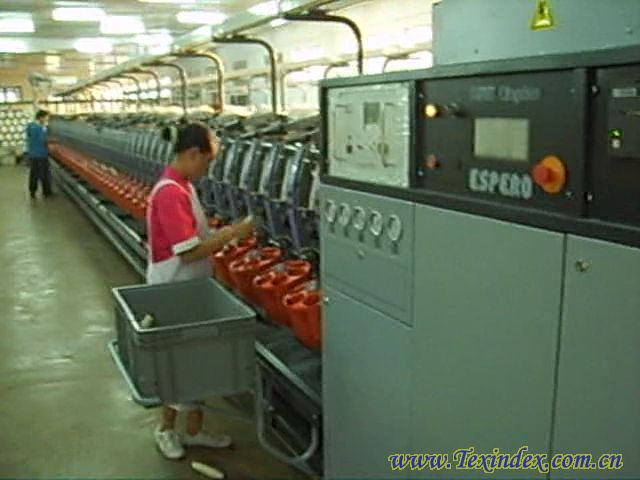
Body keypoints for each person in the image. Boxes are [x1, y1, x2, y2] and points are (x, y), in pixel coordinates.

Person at [147, 122, 254, 460]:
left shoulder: (184, 186)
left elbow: (195, 237)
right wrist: (234, 232)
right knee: (175, 365)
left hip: (191, 289)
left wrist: (220, 235)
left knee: (195, 362)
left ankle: (193, 431)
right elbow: (189, 251)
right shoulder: (170, 192)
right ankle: (165, 429)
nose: (209, 169)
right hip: (174, 291)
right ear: (193, 154)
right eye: (208, 161)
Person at [27, 110, 52, 199]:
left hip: (32, 153)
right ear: (41, 117)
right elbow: (43, 140)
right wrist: (54, 141)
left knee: (33, 174)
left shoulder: (30, 125)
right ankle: (46, 192)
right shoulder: (40, 128)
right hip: (41, 154)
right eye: (46, 117)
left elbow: (30, 136)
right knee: (44, 173)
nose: (47, 119)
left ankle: (32, 191)